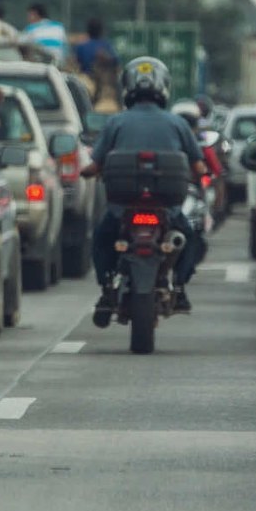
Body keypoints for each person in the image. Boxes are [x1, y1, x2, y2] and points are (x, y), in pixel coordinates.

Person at [79, 57, 209, 319]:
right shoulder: (178, 124)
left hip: (121, 209)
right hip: (168, 209)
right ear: (164, 88)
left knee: (102, 238)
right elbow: (199, 168)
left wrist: (88, 172)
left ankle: (106, 288)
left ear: (127, 87)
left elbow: (92, 167)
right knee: (190, 238)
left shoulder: (115, 123)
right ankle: (180, 288)